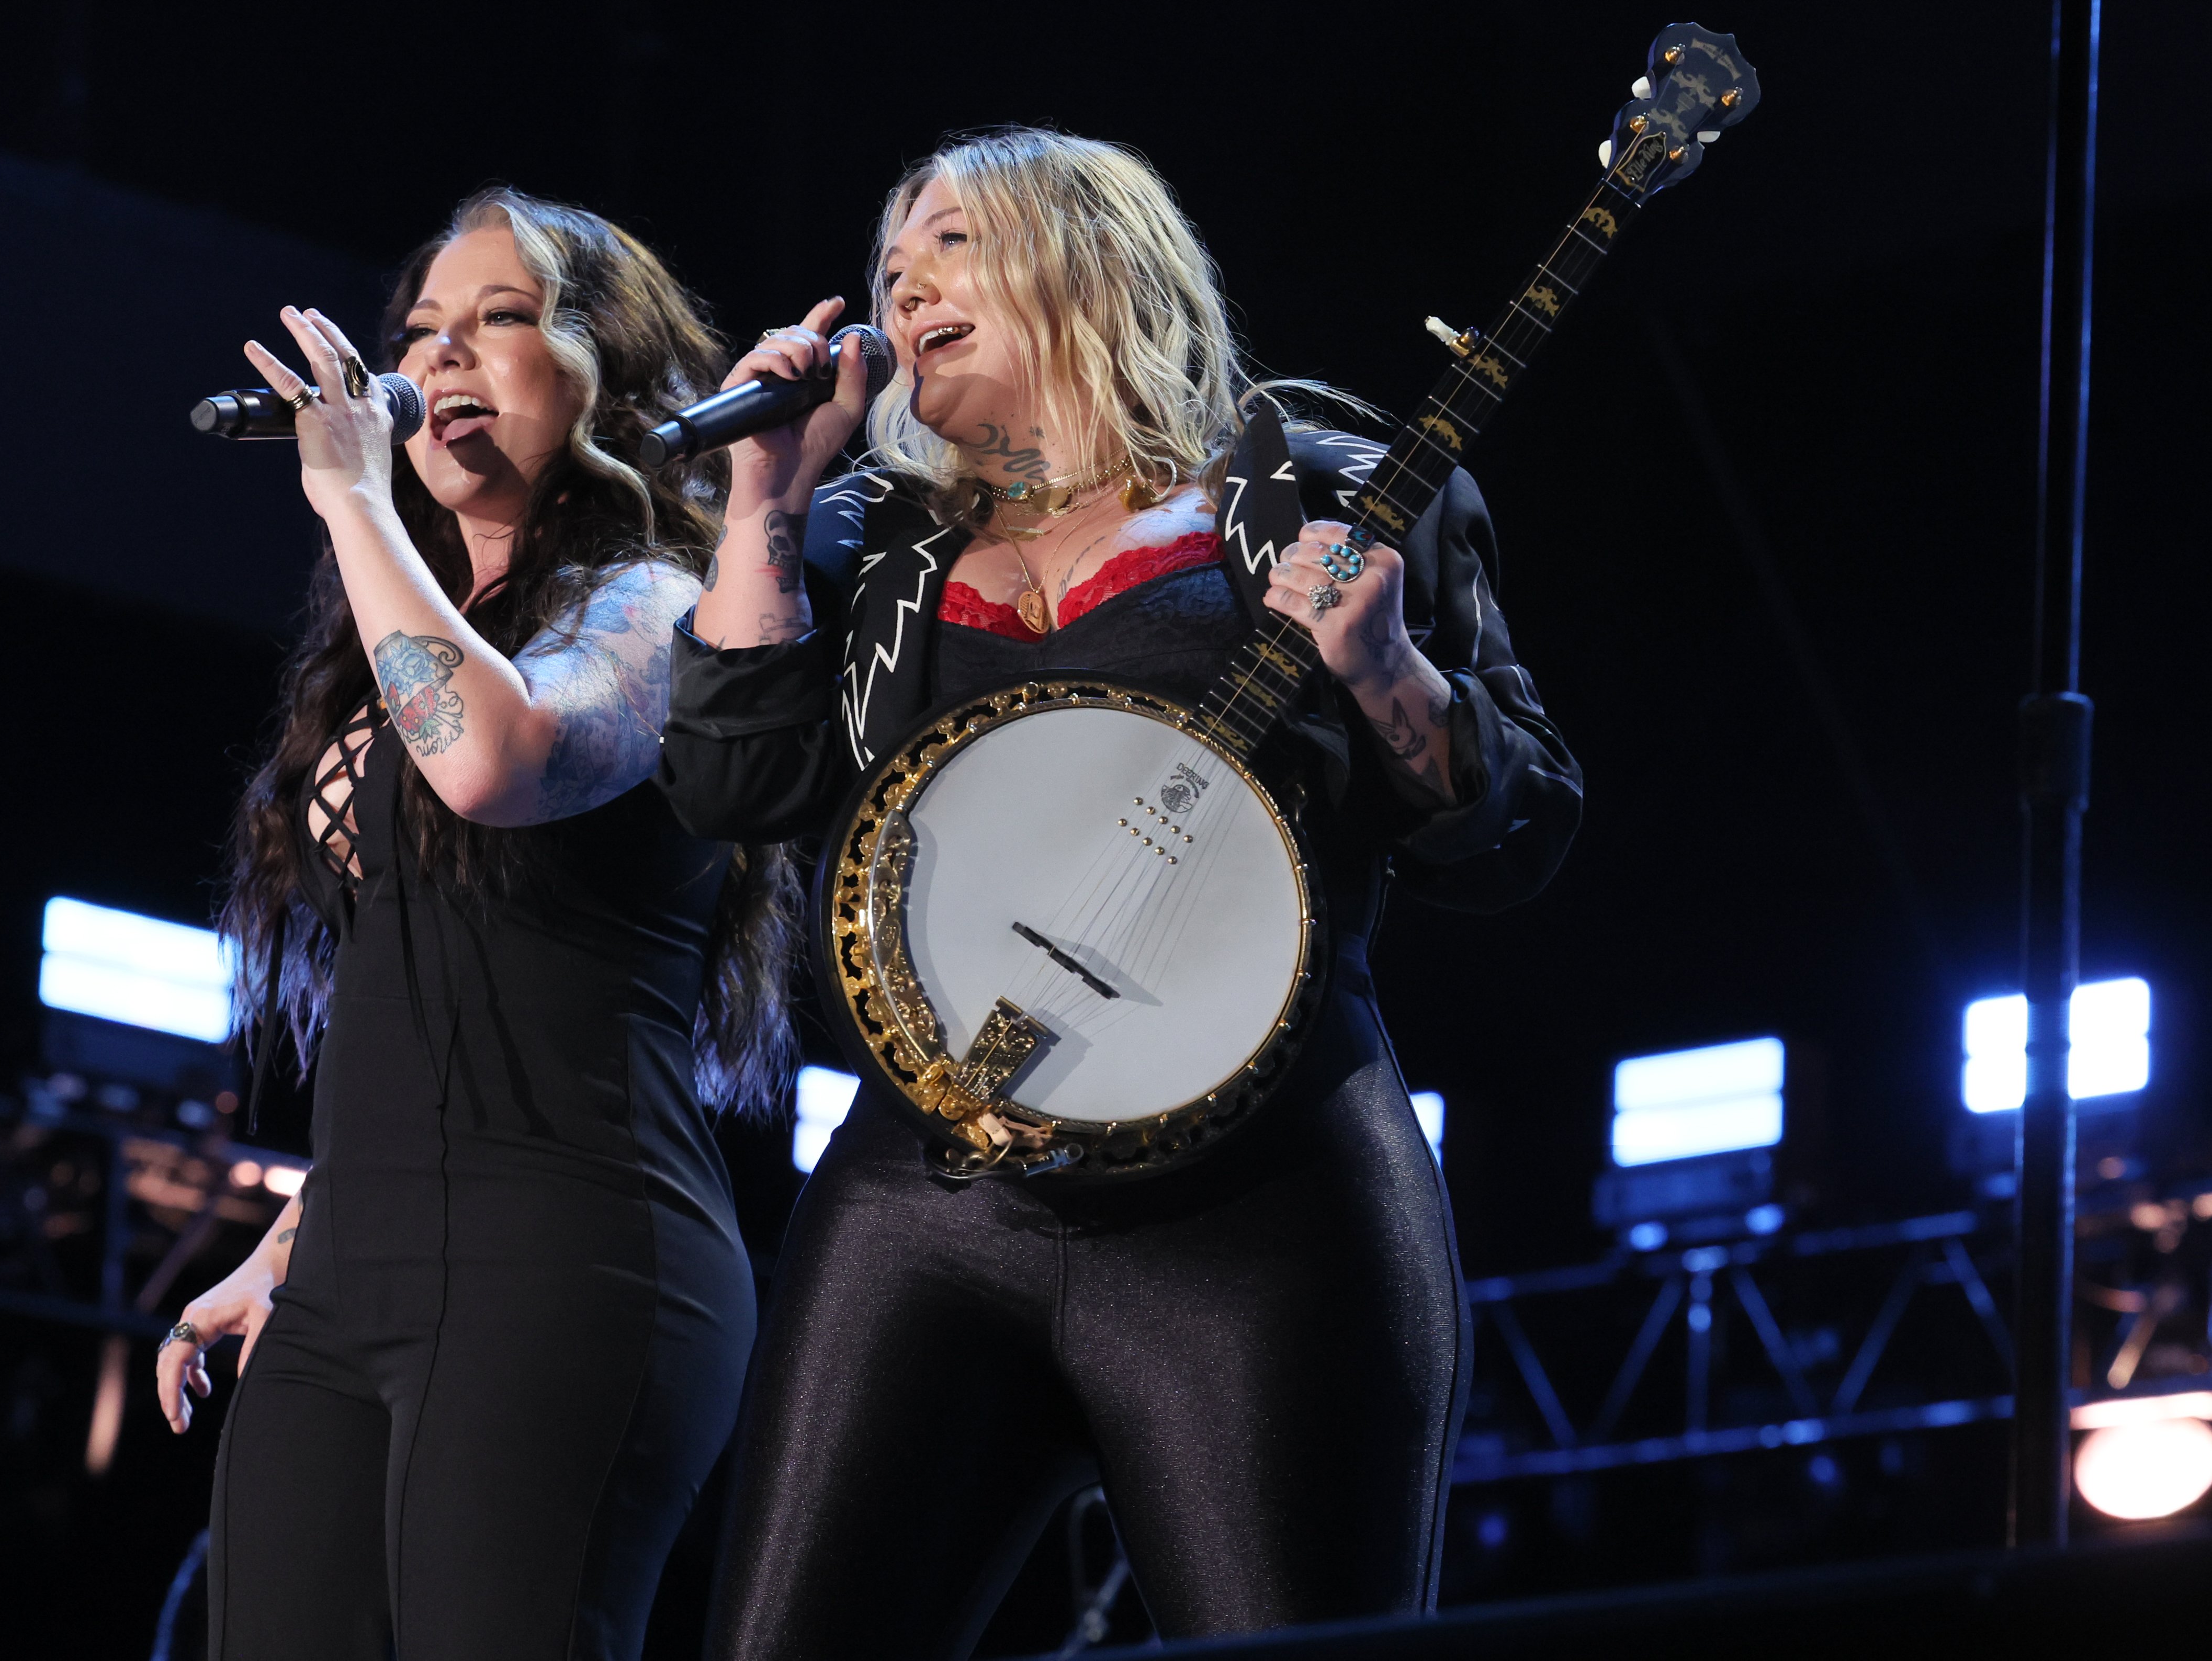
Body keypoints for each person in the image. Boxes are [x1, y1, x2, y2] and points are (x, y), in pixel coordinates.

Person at [659, 129, 1583, 1653]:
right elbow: (732, 790)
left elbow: (1521, 831)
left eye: (946, 245)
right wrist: (762, 492)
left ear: (1087, 256)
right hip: (924, 1197)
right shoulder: (861, 542)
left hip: (1266, 1207)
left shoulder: (1324, 487)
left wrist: (1383, 667)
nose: (900, 287)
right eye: (888, 263)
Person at [153, 188, 796, 1661]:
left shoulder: (655, 604)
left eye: (500, 322)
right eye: (420, 335)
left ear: (611, 377)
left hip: (564, 1265)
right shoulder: (401, 627)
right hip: (355, 1270)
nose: (439, 364)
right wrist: (298, 1235)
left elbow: (497, 762)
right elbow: (415, 983)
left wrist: (355, 501)